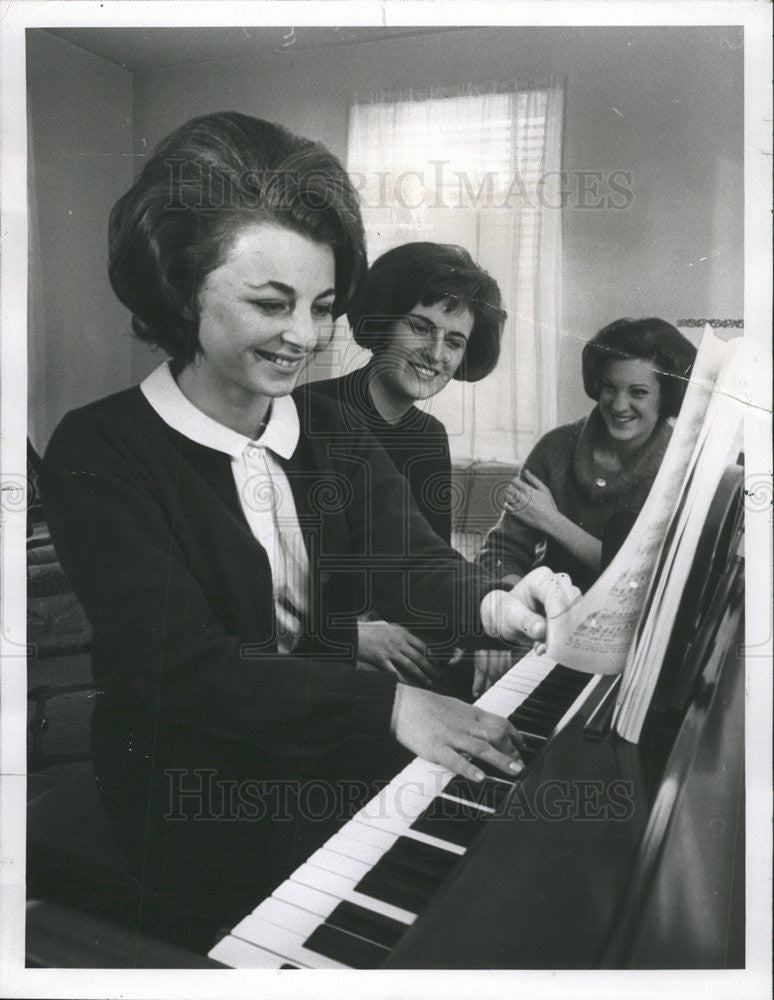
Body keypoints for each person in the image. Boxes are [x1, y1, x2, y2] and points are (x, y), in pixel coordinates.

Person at [40, 111, 577, 951]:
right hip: (191, 782)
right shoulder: (100, 449)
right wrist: (393, 705)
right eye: (270, 302)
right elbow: (186, 671)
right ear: (181, 290)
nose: (305, 336)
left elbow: (414, 564)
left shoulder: (328, 431)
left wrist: (504, 605)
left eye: (323, 305)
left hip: (330, 742)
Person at [307, 243, 505, 688]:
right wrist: (349, 633)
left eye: (454, 342)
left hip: (396, 640)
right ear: (381, 323)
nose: (436, 354)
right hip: (315, 648)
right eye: (420, 327)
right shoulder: (308, 413)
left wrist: (484, 621)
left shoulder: (430, 438)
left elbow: (429, 567)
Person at [478, 317, 697, 593]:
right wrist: (516, 597)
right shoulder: (555, 447)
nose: (619, 405)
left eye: (638, 392)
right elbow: (503, 550)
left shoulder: (683, 467)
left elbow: (647, 581)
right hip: (543, 615)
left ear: (666, 397)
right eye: (609, 387)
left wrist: (552, 520)